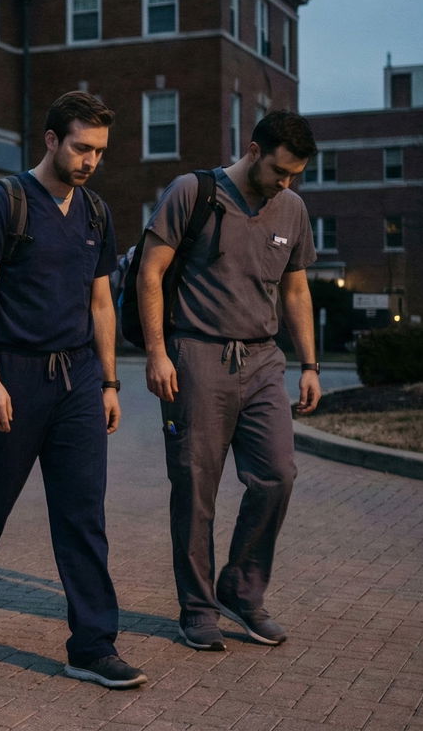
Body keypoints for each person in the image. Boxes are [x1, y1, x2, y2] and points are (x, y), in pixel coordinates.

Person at [0, 91, 146, 690]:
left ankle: (93, 644)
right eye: (81, 147)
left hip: (76, 377)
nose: (90, 160)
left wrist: (107, 381)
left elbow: (101, 301)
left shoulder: (97, 212)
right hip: (13, 375)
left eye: (99, 151)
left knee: (82, 512)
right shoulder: (4, 202)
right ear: (51, 140)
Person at [137, 110, 322, 653]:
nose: (286, 183)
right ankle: (197, 607)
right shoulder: (192, 193)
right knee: (196, 487)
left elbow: (295, 292)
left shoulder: (292, 208)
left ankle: (241, 590)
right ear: (253, 149)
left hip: (264, 360)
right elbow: (150, 272)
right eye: (280, 170)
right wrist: (157, 353)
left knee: (278, 475)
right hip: (196, 353)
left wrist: (310, 364)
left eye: (296, 174)